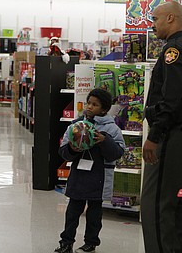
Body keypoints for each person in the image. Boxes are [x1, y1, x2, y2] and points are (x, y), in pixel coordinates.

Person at [141, 1, 182, 253]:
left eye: (155, 20)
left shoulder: (174, 51)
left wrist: (155, 135)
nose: (152, 25)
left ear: (170, 18)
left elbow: (172, 99)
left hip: (169, 135)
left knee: (156, 205)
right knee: (177, 204)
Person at [54, 88, 125, 253]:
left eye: (95, 104)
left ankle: (91, 243)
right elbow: (63, 151)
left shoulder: (112, 129)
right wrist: (72, 149)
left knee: (94, 215)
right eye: (89, 103)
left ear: (104, 109)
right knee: (72, 212)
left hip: (99, 177)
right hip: (79, 175)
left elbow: (118, 153)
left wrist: (104, 141)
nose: (89, 107)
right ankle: (66, 242)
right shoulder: (76, 125)